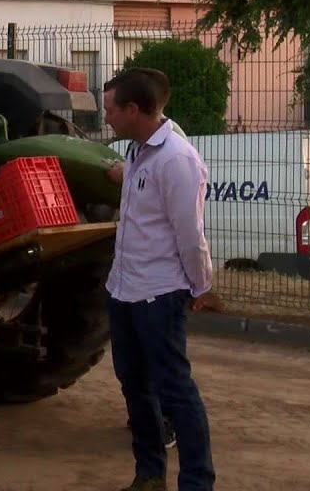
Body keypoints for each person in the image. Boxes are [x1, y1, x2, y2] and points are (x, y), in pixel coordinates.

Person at [102, 67, 221, 491]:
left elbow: (190, 234)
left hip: (159, 293)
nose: (108, 118)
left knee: (174, 389)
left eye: (112, 110)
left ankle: (196, 480)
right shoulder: (137, 152)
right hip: (125, 289)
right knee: (134, 385)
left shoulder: (177, 159)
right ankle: (149, 474)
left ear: (135, 109)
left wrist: (201, 285)